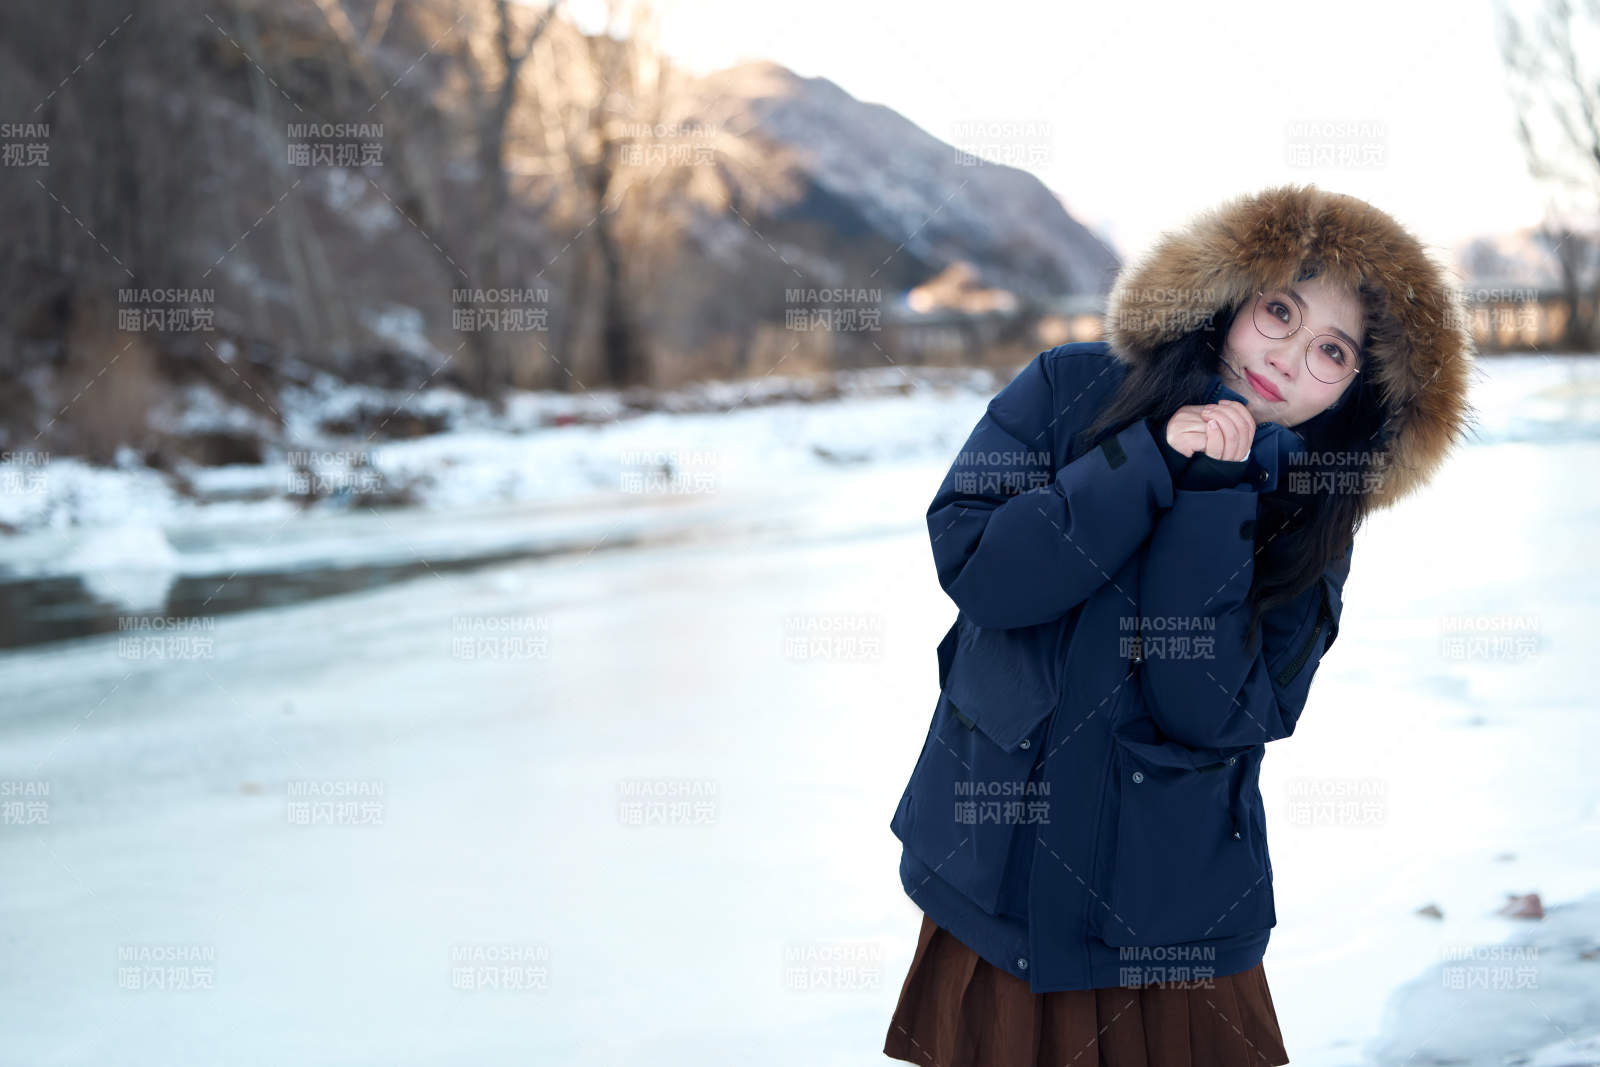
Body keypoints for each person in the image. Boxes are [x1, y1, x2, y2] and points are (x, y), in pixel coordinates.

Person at [883, 184, 1477, 1066]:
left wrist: (1213, 495)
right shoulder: (1070, 388)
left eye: (1331, 350)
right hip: (997, 894)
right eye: (1279, 309)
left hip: (1170, 937)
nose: (1285, 354)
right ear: (1231, 295)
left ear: (1358, 392)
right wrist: (1149, 458)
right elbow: (984, 571)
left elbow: (1212, 710)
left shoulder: (1312, 513)